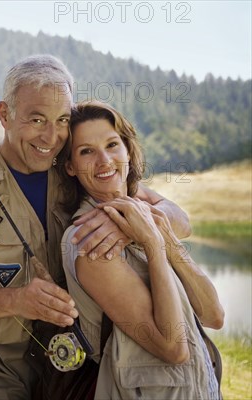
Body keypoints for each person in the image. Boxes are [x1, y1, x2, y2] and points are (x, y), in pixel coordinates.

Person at [0, 55, 191, 399]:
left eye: (62, 120)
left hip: (75, 363)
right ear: (5, 115)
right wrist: (17, 300)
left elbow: (178, 217)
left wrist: (132, 227)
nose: (51, 137)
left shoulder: (76, 165)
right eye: (37, 119)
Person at [57, 100, 224, 399]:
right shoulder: (89, 240)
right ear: (70, 166)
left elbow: (214, 315)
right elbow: (172, 348)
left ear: (128, 150)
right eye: (86, 151)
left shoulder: (146, 213)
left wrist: (163, 239)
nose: (105, 160)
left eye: (112, 144)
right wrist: (154, 245)